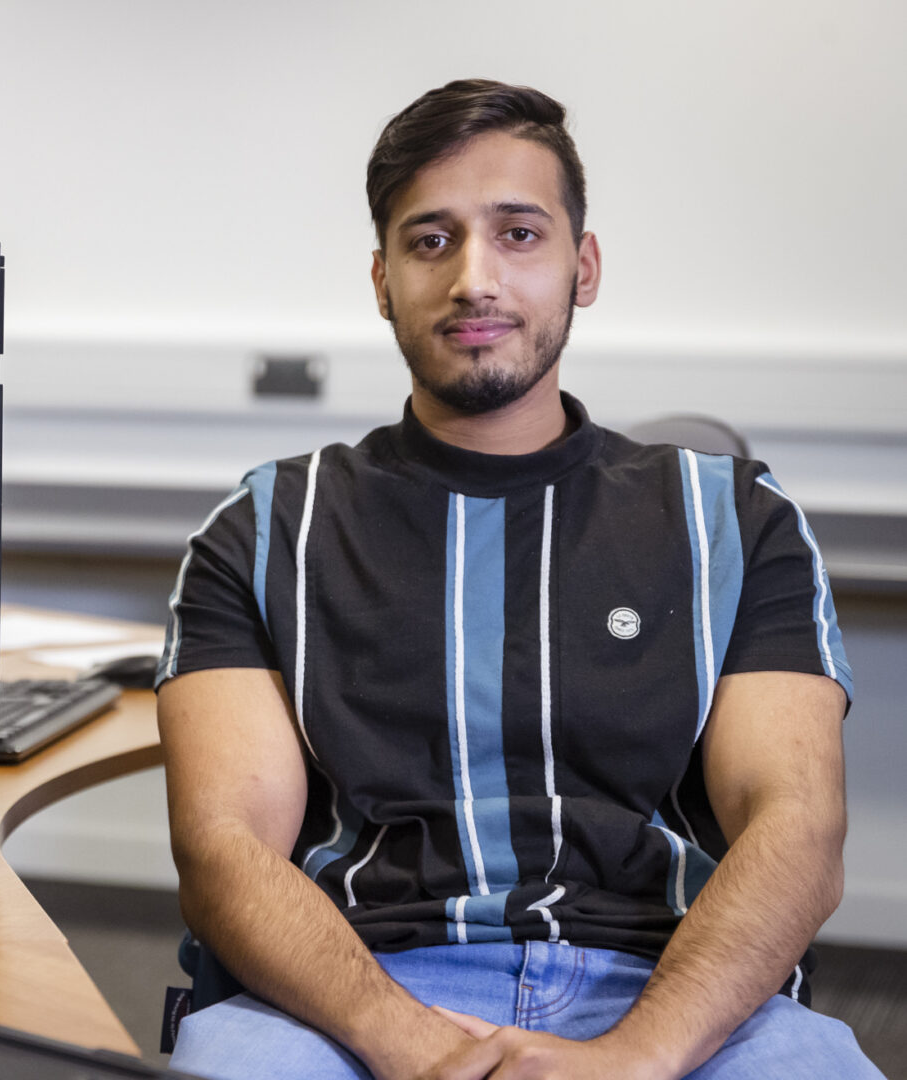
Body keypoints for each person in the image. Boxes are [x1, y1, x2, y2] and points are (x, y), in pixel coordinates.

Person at [155, 79, 882, 1080]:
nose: (474, 279)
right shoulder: (269, 528)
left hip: (675, 987)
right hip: (357, 989)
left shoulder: (736, 521)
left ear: (583, 267)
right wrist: (409, 1045)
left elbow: (797, 827)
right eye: (431, 240)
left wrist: (638, 1059)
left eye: (520, 235)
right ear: (380, 279)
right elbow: (224, 850)